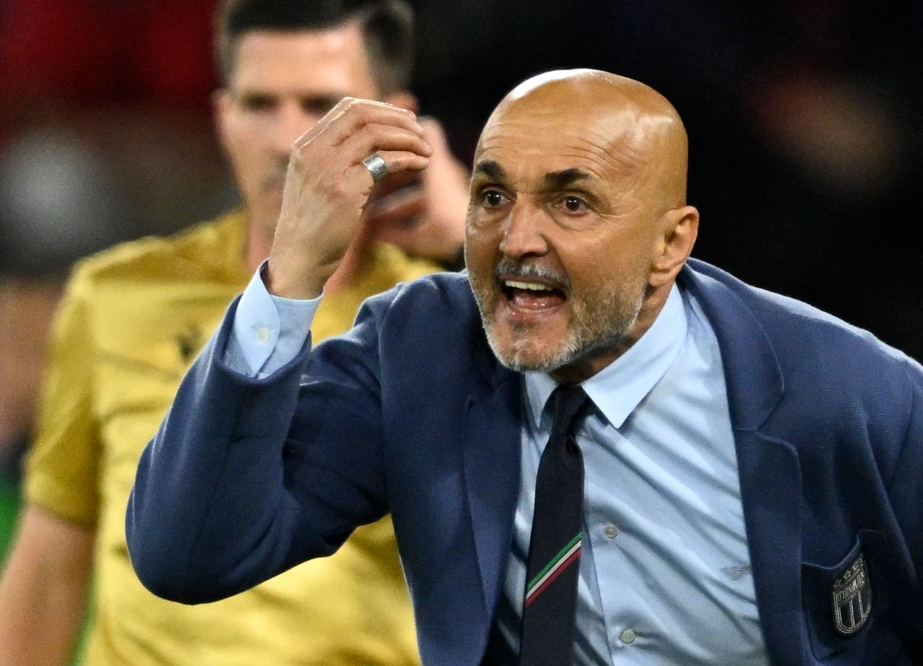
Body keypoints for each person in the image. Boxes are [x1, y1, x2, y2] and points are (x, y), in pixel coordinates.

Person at [126, 68, 923, 665]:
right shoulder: (419, 353)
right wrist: (291, 274)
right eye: (492, 197)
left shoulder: (855, 395)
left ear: (670, 242)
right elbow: (191, 553)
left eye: (571, 204)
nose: (516, 240)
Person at [0, 0, 471, 664]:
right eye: (259, 104)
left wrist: (476, 239)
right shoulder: (116, 296)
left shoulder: (445, 319)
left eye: (323, 108)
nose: (289, 143)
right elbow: (48, 565)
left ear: (398, 122)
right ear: (222, 116)